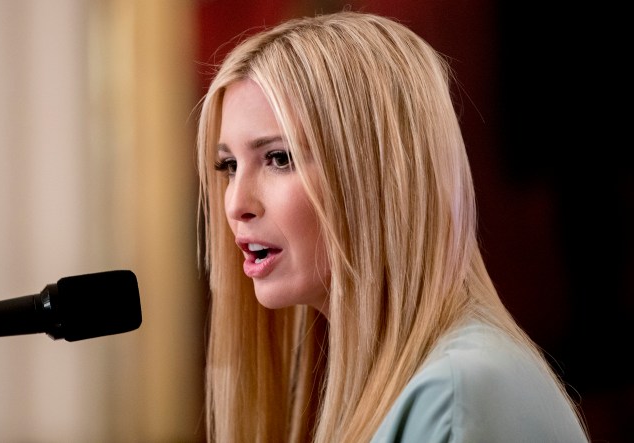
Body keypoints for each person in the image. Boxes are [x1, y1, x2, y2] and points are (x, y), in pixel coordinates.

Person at [195, 10, 590, 442]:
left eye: (278, 158)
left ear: (376, 174)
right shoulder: (429, 386)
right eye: (229, 166)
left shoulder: (457, 395)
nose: (236, 204)